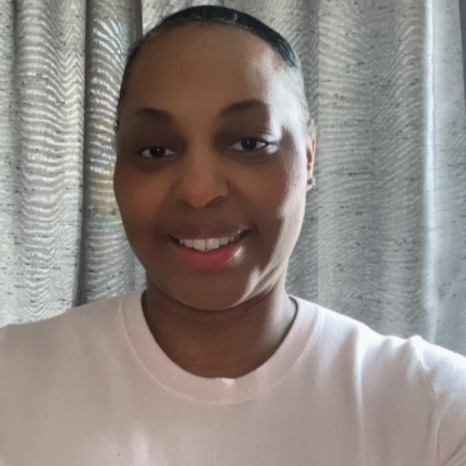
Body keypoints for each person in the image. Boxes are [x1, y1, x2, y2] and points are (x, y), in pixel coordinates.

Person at [1, 5, 465, 465]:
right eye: (156, 150)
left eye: (249, 143)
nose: (199, 191)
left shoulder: (436, 411)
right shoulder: (13, 380)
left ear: (307, 158)